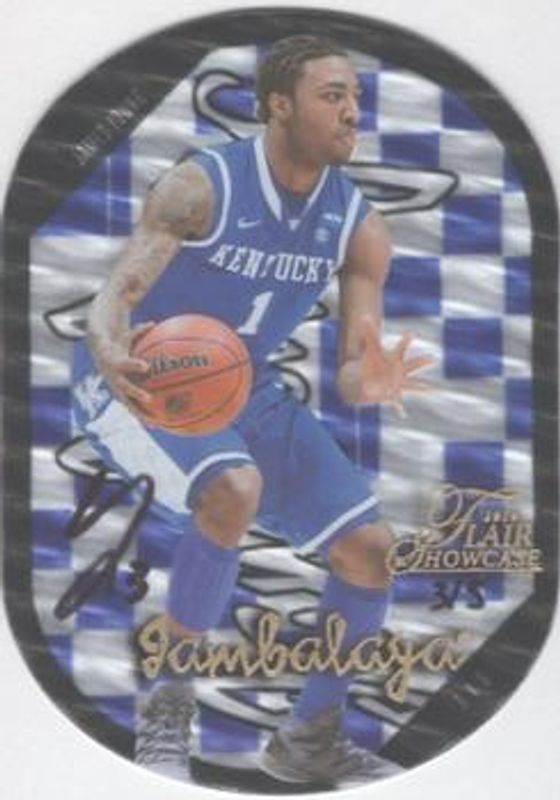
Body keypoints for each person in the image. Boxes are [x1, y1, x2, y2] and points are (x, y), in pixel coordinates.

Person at [71, 35, 431, 787]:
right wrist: (107, 349)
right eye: (332, 95)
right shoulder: (201, 187)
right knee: (234, 489)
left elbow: (353, 373)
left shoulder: (361, 227)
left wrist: (373, 381)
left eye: (356, 97)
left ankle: (309, 740)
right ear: (279, 106)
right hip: (140, 375)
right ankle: (168, 706)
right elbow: (117, 295)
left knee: (371, 550)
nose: (352, 112)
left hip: (240, 385)